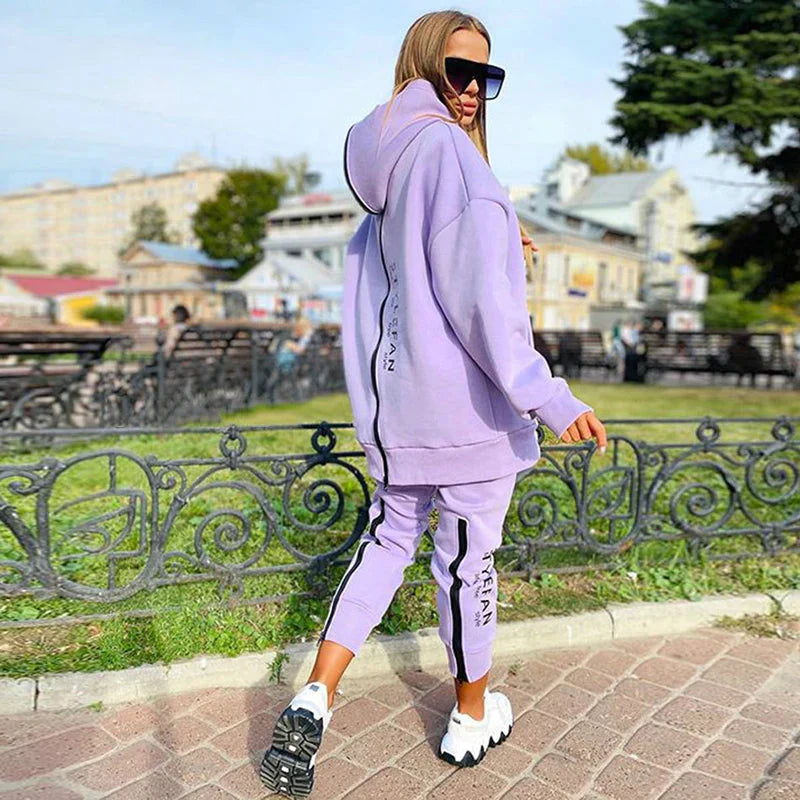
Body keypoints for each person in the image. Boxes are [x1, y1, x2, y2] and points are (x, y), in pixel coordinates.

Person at [260, 11, 606, 797]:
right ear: (424, 65)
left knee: (386, 544)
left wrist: (502, 235)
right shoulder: (452, 155)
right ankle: (470, 717)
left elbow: (398, 282)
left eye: (488, 76)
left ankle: (315, 696)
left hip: (400, 409)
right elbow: (483, 307)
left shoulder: (389, 165)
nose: (474, 90)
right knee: (466, 563)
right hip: (469, 417)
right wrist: (548, 396)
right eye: (460, 70)